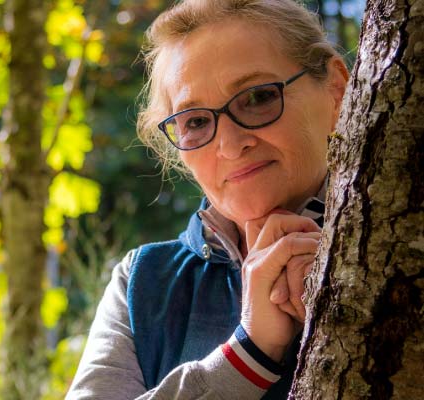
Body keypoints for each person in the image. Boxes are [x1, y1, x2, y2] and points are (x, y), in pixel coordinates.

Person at [67, 0, 349, 398]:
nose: (231, 145)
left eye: (258, 97)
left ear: (336, 91)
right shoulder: (143, 282)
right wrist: (246, 359)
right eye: (196, 122)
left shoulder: (399, 247)